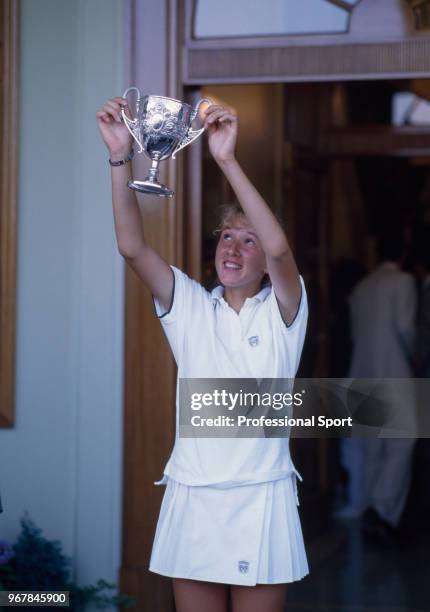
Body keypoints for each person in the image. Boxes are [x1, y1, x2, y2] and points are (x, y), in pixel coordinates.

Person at [96, 96, 309, 612]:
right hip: (193, 494)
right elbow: (131, 247)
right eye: (227, 237)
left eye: (248, 241)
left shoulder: (287, 308)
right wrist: (120, 155)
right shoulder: (191, 305)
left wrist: (227, 161)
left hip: (261, 494)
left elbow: (282, 251)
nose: (232, 249)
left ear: (264, 260)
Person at [345, 232, 417, 543]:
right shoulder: (402, 282)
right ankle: (382, 509)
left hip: (362, 372)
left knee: (373, 446)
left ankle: (371, 510)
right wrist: (416, 354)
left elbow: (353, 333)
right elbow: (405, 327)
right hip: (395, 370)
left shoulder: (362, 287)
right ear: (403, 255)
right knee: (404, 441)